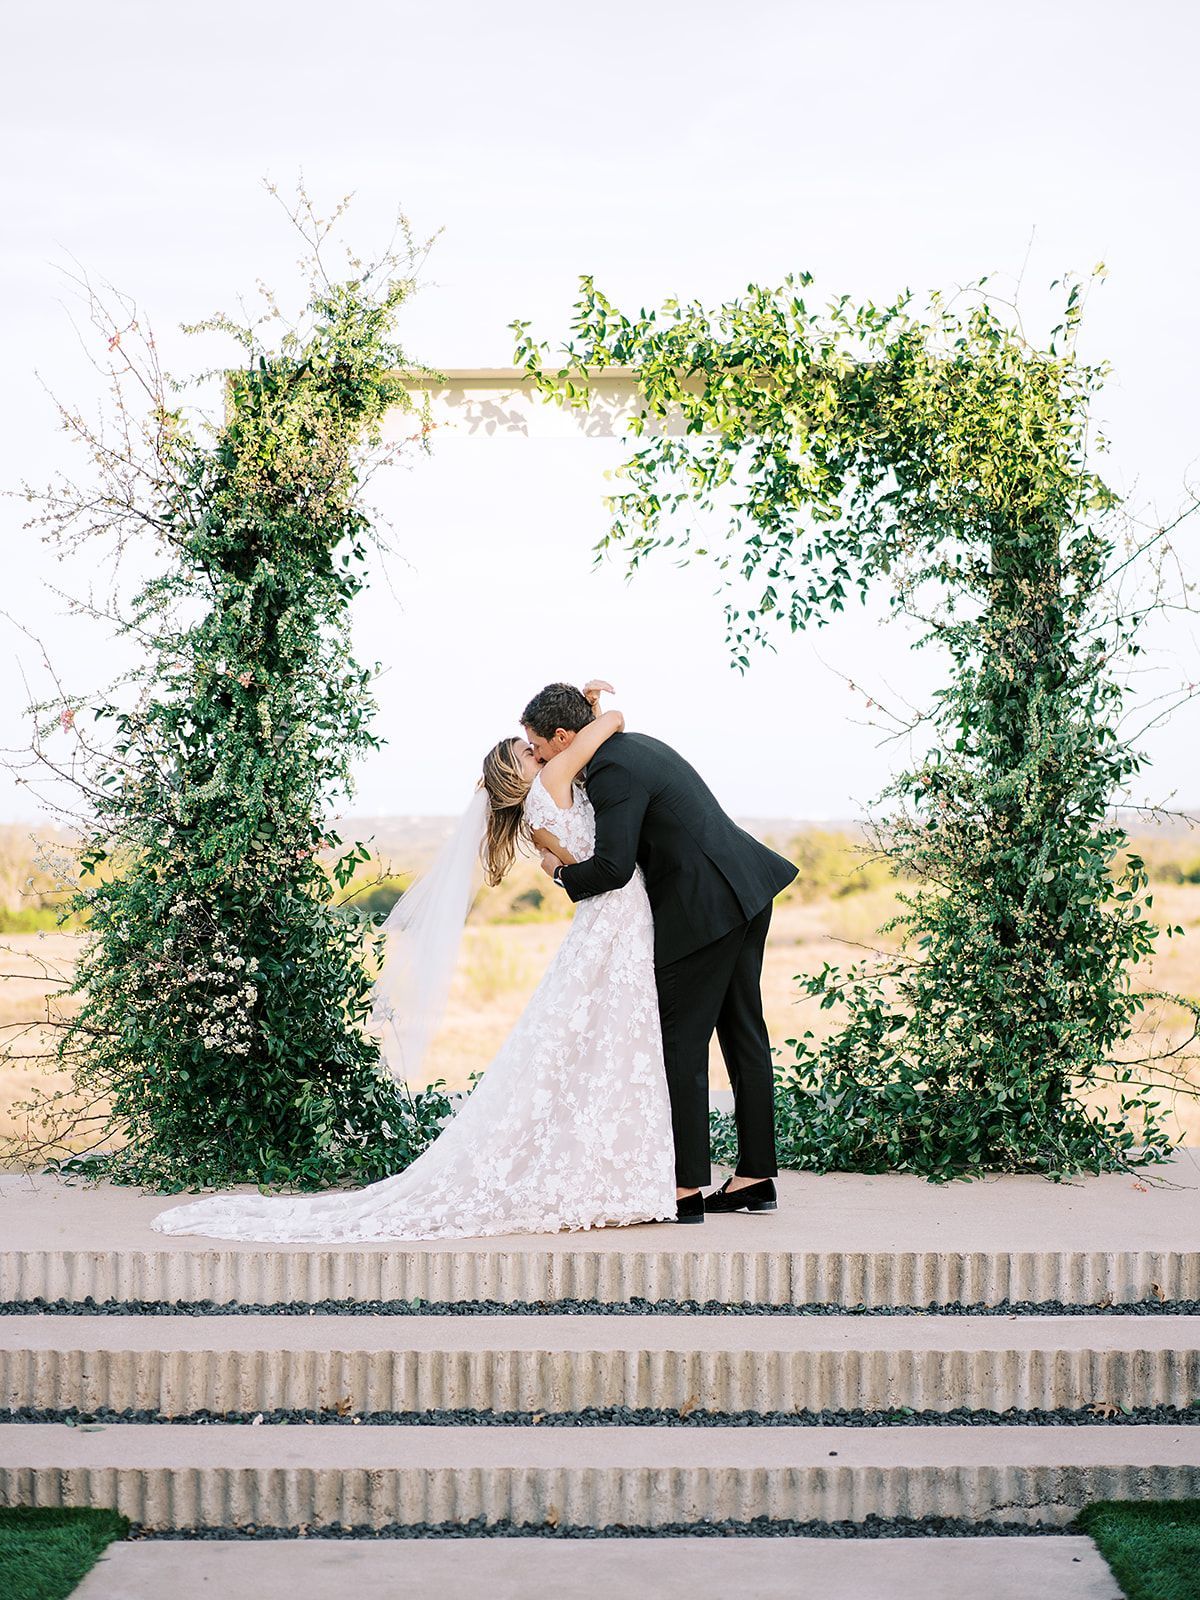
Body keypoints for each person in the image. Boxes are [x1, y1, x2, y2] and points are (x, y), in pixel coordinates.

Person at [150, 681, 676, 1243]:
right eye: (529, 750)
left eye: (535, 745)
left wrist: (559, 860)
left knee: (600, 1037)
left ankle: (613, 1170)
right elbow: (611, 723)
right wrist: (601, 707)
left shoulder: (535, 810)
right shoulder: (552, 781)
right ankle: (621, 1171)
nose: (538, 751)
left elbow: (564, 857)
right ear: (522, 773)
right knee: (617, 1035)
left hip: (604, 916)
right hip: (620, 912)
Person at [522, 683, 797, 1222]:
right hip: (746, 887)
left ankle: (684, 1189)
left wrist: (559, 873)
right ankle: (755, 1177)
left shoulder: (612, 772)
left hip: (703, 911)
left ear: (562, 736)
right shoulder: (634, 745)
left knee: (680, 1043)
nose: (540, 758)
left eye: (539, 746)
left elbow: (613, 868)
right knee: (744, 1034)